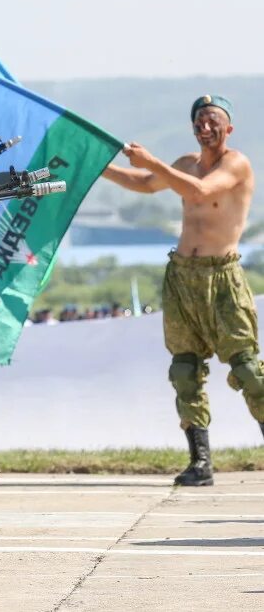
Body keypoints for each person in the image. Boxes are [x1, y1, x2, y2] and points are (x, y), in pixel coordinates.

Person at [103, 94, 263, 487]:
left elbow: (200, 193)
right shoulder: (186, 165)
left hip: (221, 278)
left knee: (246, 367)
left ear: (228, 128)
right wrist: (101, 166)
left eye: (212, 120)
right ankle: (200, 461)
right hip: (181, 276)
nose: (204, 127)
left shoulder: (235, 163)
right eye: (199, 121)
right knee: (185, 369)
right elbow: (145, 183)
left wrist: (152, 161)